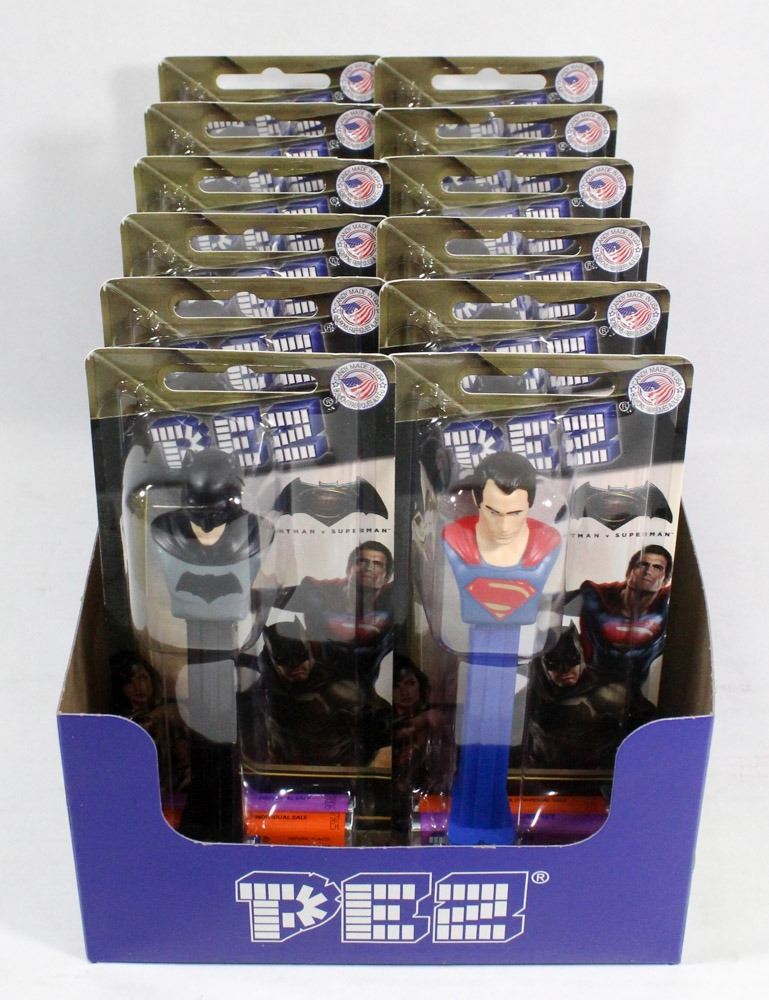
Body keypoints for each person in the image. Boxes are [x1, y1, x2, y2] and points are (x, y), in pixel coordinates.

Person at [241, 618, 391, 768]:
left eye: (300, 654)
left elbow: (380, 724)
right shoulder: (260, 695)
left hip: (334, 772)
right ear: (272, 661)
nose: (295, 665)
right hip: (282, 771)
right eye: (284, 658)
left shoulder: (339, 690)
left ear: (309, 651)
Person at [522, 624, 655, 770]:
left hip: (594, 775)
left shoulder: (609, 691)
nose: (564, 670)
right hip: (543, 774)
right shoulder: (533, 696)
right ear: (542, 663)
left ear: (581, 654)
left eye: (571, 658)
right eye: (553, 661)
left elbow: (651, 729)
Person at [280, 540, 393, 682]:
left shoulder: (392, 599)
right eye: (362, 561)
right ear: (348, 570)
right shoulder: (318, 591)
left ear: (386, 577)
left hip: (362, 684)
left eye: (377, 564)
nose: (368, 568)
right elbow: (268, 599)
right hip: (314, 681)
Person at [574, 545, 673, 687]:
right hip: (590, 682)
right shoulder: (597, 598)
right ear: (628, 572)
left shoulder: (667, 607)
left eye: (657, 567)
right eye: (642, 565)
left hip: (638, 687)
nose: (648, 571)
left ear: (665, 580)